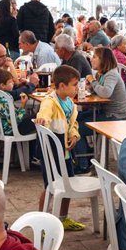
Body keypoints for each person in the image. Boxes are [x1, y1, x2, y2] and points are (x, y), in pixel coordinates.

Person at [35, 65, 84, 231]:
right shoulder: (50, 101)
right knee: (50, 187)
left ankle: (62, 218)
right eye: (75, 84)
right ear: (62, 86)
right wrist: (42, 120)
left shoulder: (70, 102)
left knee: (67, 184)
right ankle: (41, 222)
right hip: (51, 152)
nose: (77, 88)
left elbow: (72, 123)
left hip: (66, 151)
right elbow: (44, 115)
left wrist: (75, 134)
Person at [73, 47, 126, 173]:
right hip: (104, 112)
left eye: (94, 57)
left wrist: (93, 81)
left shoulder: (112, 74)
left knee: (76, 127)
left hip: (116, 116)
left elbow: (105, 93)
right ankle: (86, 154)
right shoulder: (102, 74)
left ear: (103, 60)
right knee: (73, 119)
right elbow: (99, 91)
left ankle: (83, 166)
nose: (91, 59)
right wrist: (91, 86)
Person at [0, 67, 35, 136]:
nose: (13, 83)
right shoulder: (5, 98)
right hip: (11, 130)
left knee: (32, 116)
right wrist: (23, 105)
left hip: (0, 127)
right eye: (10, 82)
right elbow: (15, 120)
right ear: (2, 85)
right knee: (38, 117)